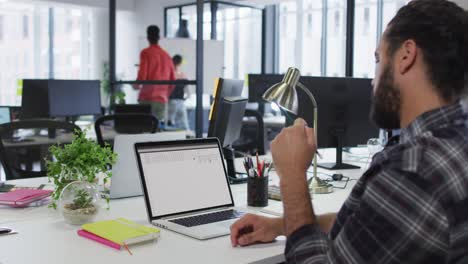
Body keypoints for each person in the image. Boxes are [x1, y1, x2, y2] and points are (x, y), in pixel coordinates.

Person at [230, 0, 468, 263]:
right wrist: (281, 225)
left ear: (405, 55)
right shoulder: (454, 143)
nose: (372, 79)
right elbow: (373, 228)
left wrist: (293, 176)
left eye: (378, 59)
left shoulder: (413, 170)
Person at [134, 25, 175, 123]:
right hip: (161, 99)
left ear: (147, 37)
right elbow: (173, 81)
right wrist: (165, 94)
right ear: (159, 37)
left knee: (144, 129)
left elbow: (142, 76)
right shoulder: (166, 55)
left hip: (147, 98)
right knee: (157, 130)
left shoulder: (146, 53)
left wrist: (135, 85)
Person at [168, 55, 190, 130]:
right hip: (180, 102)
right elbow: (188, 93)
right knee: (183, 125)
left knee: (169, 124)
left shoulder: (169, 74)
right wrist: (184, 99)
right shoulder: (183, 75)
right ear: (180, 63)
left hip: (171, 101)